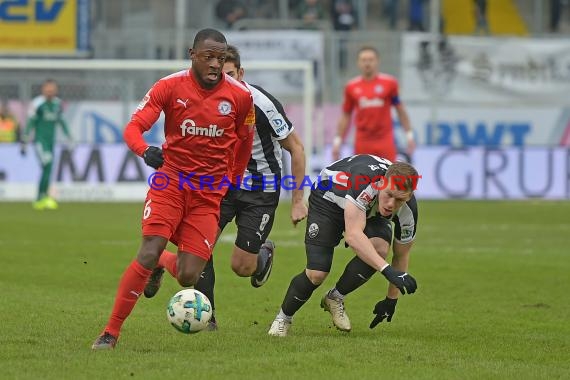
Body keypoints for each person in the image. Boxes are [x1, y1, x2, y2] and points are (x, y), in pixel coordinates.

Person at [91, 28, 256, 350]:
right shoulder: (169, 86)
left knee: (188, 276)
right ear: (191, 54)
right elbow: (134, 127)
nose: (214, 65)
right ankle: (110, 333)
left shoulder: (240, 97)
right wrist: (145, 150)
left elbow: (243, 143)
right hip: (171, 182)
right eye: (208, 57)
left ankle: (161, 264)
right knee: (149, 247)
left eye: (220, 59)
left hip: (208, 194)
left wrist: (233, 182)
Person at [143, 44, 308, 330]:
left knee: (242, 267)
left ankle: (262, 256)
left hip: (261, 189)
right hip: (220, 185)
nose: (223, 80)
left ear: (241, 73)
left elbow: (296, 148)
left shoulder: (261, 103)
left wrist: (297, 199)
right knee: (198, 249)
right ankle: (209, 318)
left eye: (230, 74)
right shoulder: (207, 98)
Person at [268, 155, 419, 336]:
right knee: (317, 274)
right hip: (329, 199)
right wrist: (386, 270)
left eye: (400, 200)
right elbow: (353, 236)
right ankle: (283, 318)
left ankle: (335, 297)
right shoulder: (366, 183)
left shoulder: (408, 211)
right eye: (389, 195)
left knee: (379, 249)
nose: (391, 205)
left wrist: (391, 299)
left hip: (367, 207)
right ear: (381, 184)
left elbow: (401, 255)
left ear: (409, 196)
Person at [332, 46, 415, 163]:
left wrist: (409, 134)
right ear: (358, 63)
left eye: (371, 60)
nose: (367, 63)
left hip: (384, 140)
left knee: (387, 177)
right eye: (364, 60)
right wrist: (337, 141)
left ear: (377, 61)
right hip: (362, 141)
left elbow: (400, 110)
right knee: (362, 179)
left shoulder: (390, 84)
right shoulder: (351, 87)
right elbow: (346, 115)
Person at [20, 79, 72, 210]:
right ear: (43, 89)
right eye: (48, 89)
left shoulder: (57, 104)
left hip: (51, 142)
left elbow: (62, 121)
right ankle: (41, 197)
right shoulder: (38, 104)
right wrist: (25, 139)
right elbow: (31, 122)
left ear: (56, 90)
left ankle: (41, 197)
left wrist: (69, 137)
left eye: (52, 89)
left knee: (47, 168)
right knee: (47, 165)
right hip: (40, 142)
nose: (50, 91)